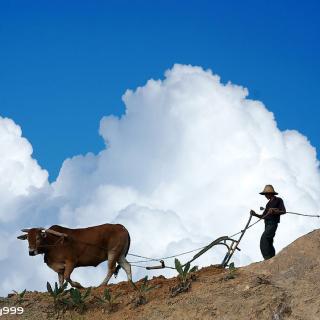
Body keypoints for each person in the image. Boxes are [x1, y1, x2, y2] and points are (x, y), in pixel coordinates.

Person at [250, 185, 286, 260]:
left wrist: (274, 211)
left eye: (266, 194)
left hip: (273, 223)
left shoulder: (278, 200)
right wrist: (255, 214)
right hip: (267, 224)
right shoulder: (268, 204)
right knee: (269, 241)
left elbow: (283, 211)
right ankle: (272, 258)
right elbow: (263, 216)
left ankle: (267, 258)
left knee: (264, 239)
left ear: (271, 193)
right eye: (265, 194)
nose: (265, 196)